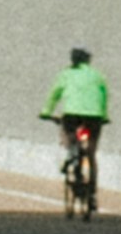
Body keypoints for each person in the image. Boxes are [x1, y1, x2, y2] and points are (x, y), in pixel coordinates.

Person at [40, 42, 110, 211]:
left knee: (69, 134)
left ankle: (71, 152)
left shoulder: (66, 74)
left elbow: (54, 94)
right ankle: (92, 194)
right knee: (91, 154)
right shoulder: (97, 75)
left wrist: (46, 112)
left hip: (72, 115)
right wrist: (104, 116)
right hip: (94, 117)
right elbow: (104, 96)